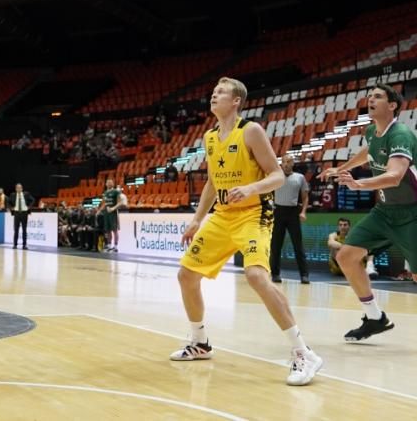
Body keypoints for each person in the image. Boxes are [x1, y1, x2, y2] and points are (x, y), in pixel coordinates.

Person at [172, 77, 322, 386]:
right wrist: (197, 218)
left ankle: (303, 352)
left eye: (221, 93)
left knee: (256, 276)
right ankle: (200, 342)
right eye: (213, 92)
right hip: (222, 215)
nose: (214, 96)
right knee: (186, 275)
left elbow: (278, 175)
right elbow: (213, 183)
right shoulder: (210, 137)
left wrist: (252, 187)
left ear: (236, 101)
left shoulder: (251, 131)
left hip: (254, 214)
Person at [322, 83, 416, 342]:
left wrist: (359, 184)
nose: (370, 99)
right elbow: (369, 152)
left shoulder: (401, 135)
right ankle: (375, 318)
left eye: (377, 96)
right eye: (369, 96)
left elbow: (396, 176)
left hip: (412, 213)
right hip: (384, 212)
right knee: (346, 256)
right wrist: (342, 167)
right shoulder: (372, 132)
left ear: (393, 105)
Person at [270, 155, 310, 284]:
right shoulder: (275, 176)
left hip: (293, 212)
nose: (286, 164)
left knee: (298, 245)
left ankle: (304, 275)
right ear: (281, 164)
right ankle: (275, 274)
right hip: (278, 211)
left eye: (289, 162)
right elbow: (267, 192)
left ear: (293, 163)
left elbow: (305, 197)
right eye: (284, 162)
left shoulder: (300, 177)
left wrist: (303, 212)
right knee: (276, 245)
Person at [98, 178, 126, 252]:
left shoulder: (116, 192)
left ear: (113, 184)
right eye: (108, 182)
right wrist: (99, 210)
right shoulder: (105, 193)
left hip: (113, 213)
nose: (109, 183)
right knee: (108, 230)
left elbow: (120, 202)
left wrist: (113, 208)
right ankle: (109, 245)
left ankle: (116, 246)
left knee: (115, 230)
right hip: (106, 213)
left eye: (110, 182)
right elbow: (104, 203)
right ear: (106, 184)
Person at [10, 183, 34, 249]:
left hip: (24, 213)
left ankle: (24, 245)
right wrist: (11, 208)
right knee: (16, 230)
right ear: (15, 189)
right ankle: (15, 245)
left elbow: (32, 200)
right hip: (16, 213)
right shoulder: (13, 195)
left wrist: (29, 207)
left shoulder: (26, 194)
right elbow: (8, 202)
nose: (19, 189)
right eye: (17, 188)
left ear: (22, 188)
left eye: (20, 188)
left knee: (24, 229)